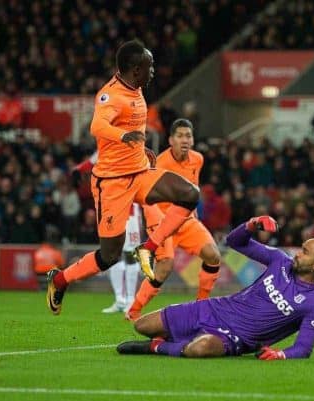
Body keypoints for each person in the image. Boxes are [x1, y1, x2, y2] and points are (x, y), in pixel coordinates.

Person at [46, 40, 199, 315]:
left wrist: (141, 149)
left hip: (140, 173)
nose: (153, 71)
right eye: (149, 67)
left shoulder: (137, 89)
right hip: (112, 183)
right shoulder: (111, 95)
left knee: (190, 194)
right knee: (109, 256)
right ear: (135, 68)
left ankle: (148, 247)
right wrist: (123, 136)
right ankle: (59, 280)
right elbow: (97, 125)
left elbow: (133, 128)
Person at [117, 216, 314, 359]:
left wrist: (281, 354)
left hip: (235, 337)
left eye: (304, 252)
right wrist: (251, 225)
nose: (297, 253)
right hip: (215, 309)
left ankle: (156, 347)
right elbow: (234, 242)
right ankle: (176, 341)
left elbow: (304, 348)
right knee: (142, 326)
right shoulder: (279, 260)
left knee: (200, 349)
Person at [127, 118, 221, 320]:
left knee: (213, 256)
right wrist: (158, 225)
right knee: (165, 267)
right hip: (162, 221)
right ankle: (134, 310)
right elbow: (146, 198)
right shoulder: (159, 163)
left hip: (186, 221)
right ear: (170, 140)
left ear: (193, 140)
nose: (184, 140)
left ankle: (201, 306)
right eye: (179, 136)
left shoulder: (198, 159)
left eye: (188, 136)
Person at [103, 203, 143, 314]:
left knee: (130, 254)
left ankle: (131, 300)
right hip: (112, 211)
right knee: (113, 254)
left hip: (130, 213)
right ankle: (120, 300)